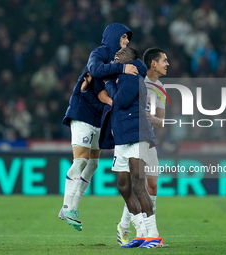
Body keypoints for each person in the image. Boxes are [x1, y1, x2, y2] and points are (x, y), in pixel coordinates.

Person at [58, 23, 138, 231]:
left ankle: (71, 208)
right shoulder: (100, 53)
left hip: (96, 117)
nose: (127, 41)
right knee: (81, 160)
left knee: (92, 165)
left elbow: (103, 92)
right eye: (123, 38)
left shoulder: (115, 62)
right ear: (113, 37)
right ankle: (67, 206)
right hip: (82, 112)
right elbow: (94, 70)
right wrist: (122, 69)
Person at [104, 47, 163, 248]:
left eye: (123, 52)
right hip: (122, 137)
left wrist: (109, 84)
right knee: (123, 185)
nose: (118, 54)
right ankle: (141, 233)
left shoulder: (132, 76)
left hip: (136, 135)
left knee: (138, 184)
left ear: (133, 59)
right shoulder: (122, 76)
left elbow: (119, 100)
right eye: (117, 53)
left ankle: (153, 234)